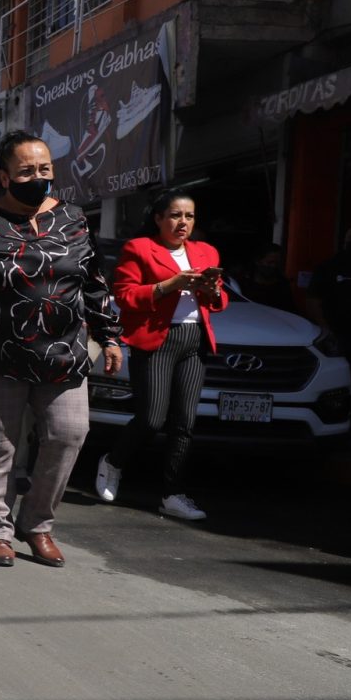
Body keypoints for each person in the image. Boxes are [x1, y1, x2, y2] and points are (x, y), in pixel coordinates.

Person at [0, 130, 123, 567]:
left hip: (65, 352)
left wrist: (110, 334)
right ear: (4, 176)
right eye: (26, 171)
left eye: (44, 170)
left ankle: (36, 523)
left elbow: (93, 282)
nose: (37, 177)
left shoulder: (73, 218)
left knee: (69, 433)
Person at [95, 188, 228, 521]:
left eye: (189, 216)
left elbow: (219, 302)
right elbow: (124, 295)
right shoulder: (139, 248)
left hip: (193, 338)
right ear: (158, 218)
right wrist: (170, 285)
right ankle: (113, 461)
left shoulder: (206, 251)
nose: (183, 222)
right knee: (152, 418)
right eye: (175, 215)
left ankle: (173, 493)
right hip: (157, 337)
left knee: (184, 423)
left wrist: (212, 292)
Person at [306, 223, 351, 446]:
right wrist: (325, 327)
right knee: (341, 385)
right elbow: (314, 299)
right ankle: (342, 430)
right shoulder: (330, 268)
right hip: (338, 338)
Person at [237, 243, 296, 313]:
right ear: (258, 261)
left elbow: (289, 311)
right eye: (270, 262)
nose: (273, 266)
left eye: (276, 263)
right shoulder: (243, 284)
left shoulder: (282, 285)